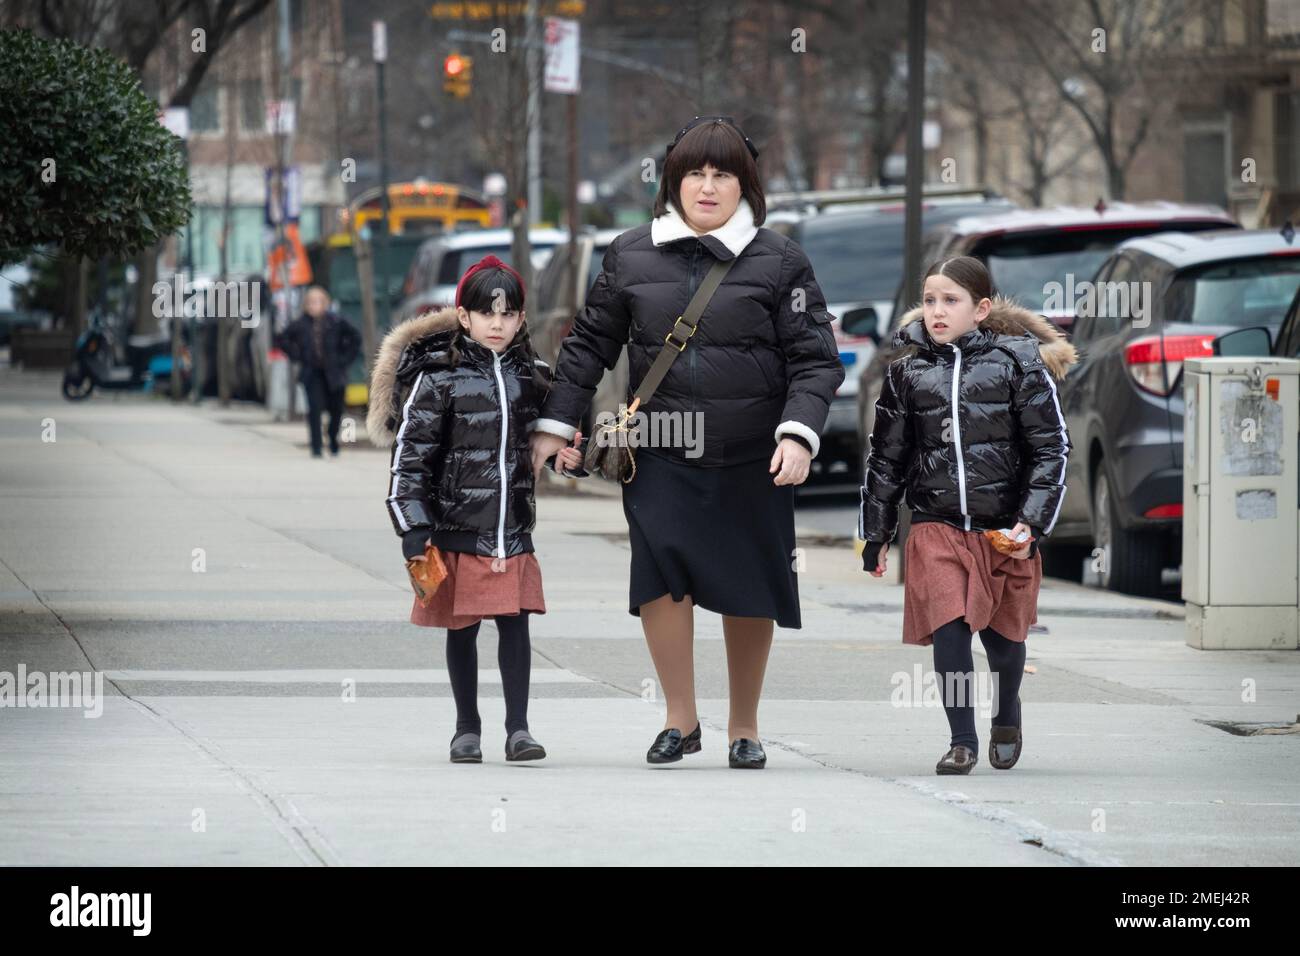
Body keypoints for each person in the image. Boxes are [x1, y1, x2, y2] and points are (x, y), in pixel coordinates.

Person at [529, 116, 845, 769]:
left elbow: (816, 360)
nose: (707, 186)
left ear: (744, 184)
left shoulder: (780, 260)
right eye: (693, 173)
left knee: (749, 583)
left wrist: (800, 433)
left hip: (753, 452)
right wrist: (556, 424)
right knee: (660, 578)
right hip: (661, 448)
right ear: (673, 181)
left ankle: (744, 727)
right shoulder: (631, 253)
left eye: (721, 174)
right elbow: (588, 346)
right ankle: (681, 719)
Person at [858, 255, 1078, 775]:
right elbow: (886, 457)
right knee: (950, 627)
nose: (937, 311)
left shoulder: (1018, 364)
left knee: (1004, 643)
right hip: (936, 526)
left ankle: (1007, 710)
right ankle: (962, 740)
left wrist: (1033, 520)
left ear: (980, 309)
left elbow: (1052, 450)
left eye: (950, 301)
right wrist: (877, 532)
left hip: (1004, 528)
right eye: (930, 300)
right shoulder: (907, 373)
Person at [368, 255, 585, 764]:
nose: (497, 323)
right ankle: (466, 729)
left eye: (508, 314)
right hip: (454, 529)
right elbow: (410, 457)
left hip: (511, 529)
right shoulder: (437, 378)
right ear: (463, 316)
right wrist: (412, 525)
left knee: (515, 626)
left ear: (521, 319)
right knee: (461, 630)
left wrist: (571, 457)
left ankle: (519, 730)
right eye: (486, 313)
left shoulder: (534, 377)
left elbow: (558, 443)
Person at [274, 286, 361, 457]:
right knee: (314, 408)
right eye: (311, 302)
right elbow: (283, 338)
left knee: (336, 408)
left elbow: (355, 338)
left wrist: (344, 359)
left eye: (318, 302)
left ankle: (332, 436)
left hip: (335, 372)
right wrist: (297, 354)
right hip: (312, 372)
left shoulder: (336, 321)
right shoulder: (300, 323)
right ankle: (316, 446)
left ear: (325, 303)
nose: (315, 306)